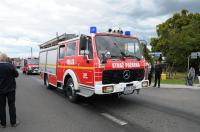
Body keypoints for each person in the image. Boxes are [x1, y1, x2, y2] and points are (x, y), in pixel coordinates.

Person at [0, 53, 19, 128]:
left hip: (0, 90)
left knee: (1, 106)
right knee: (11, 105)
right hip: (11, 89)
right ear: (6, 58)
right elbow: (16, 75)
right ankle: (13, 123)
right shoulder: (10, 66)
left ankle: (3, 123)